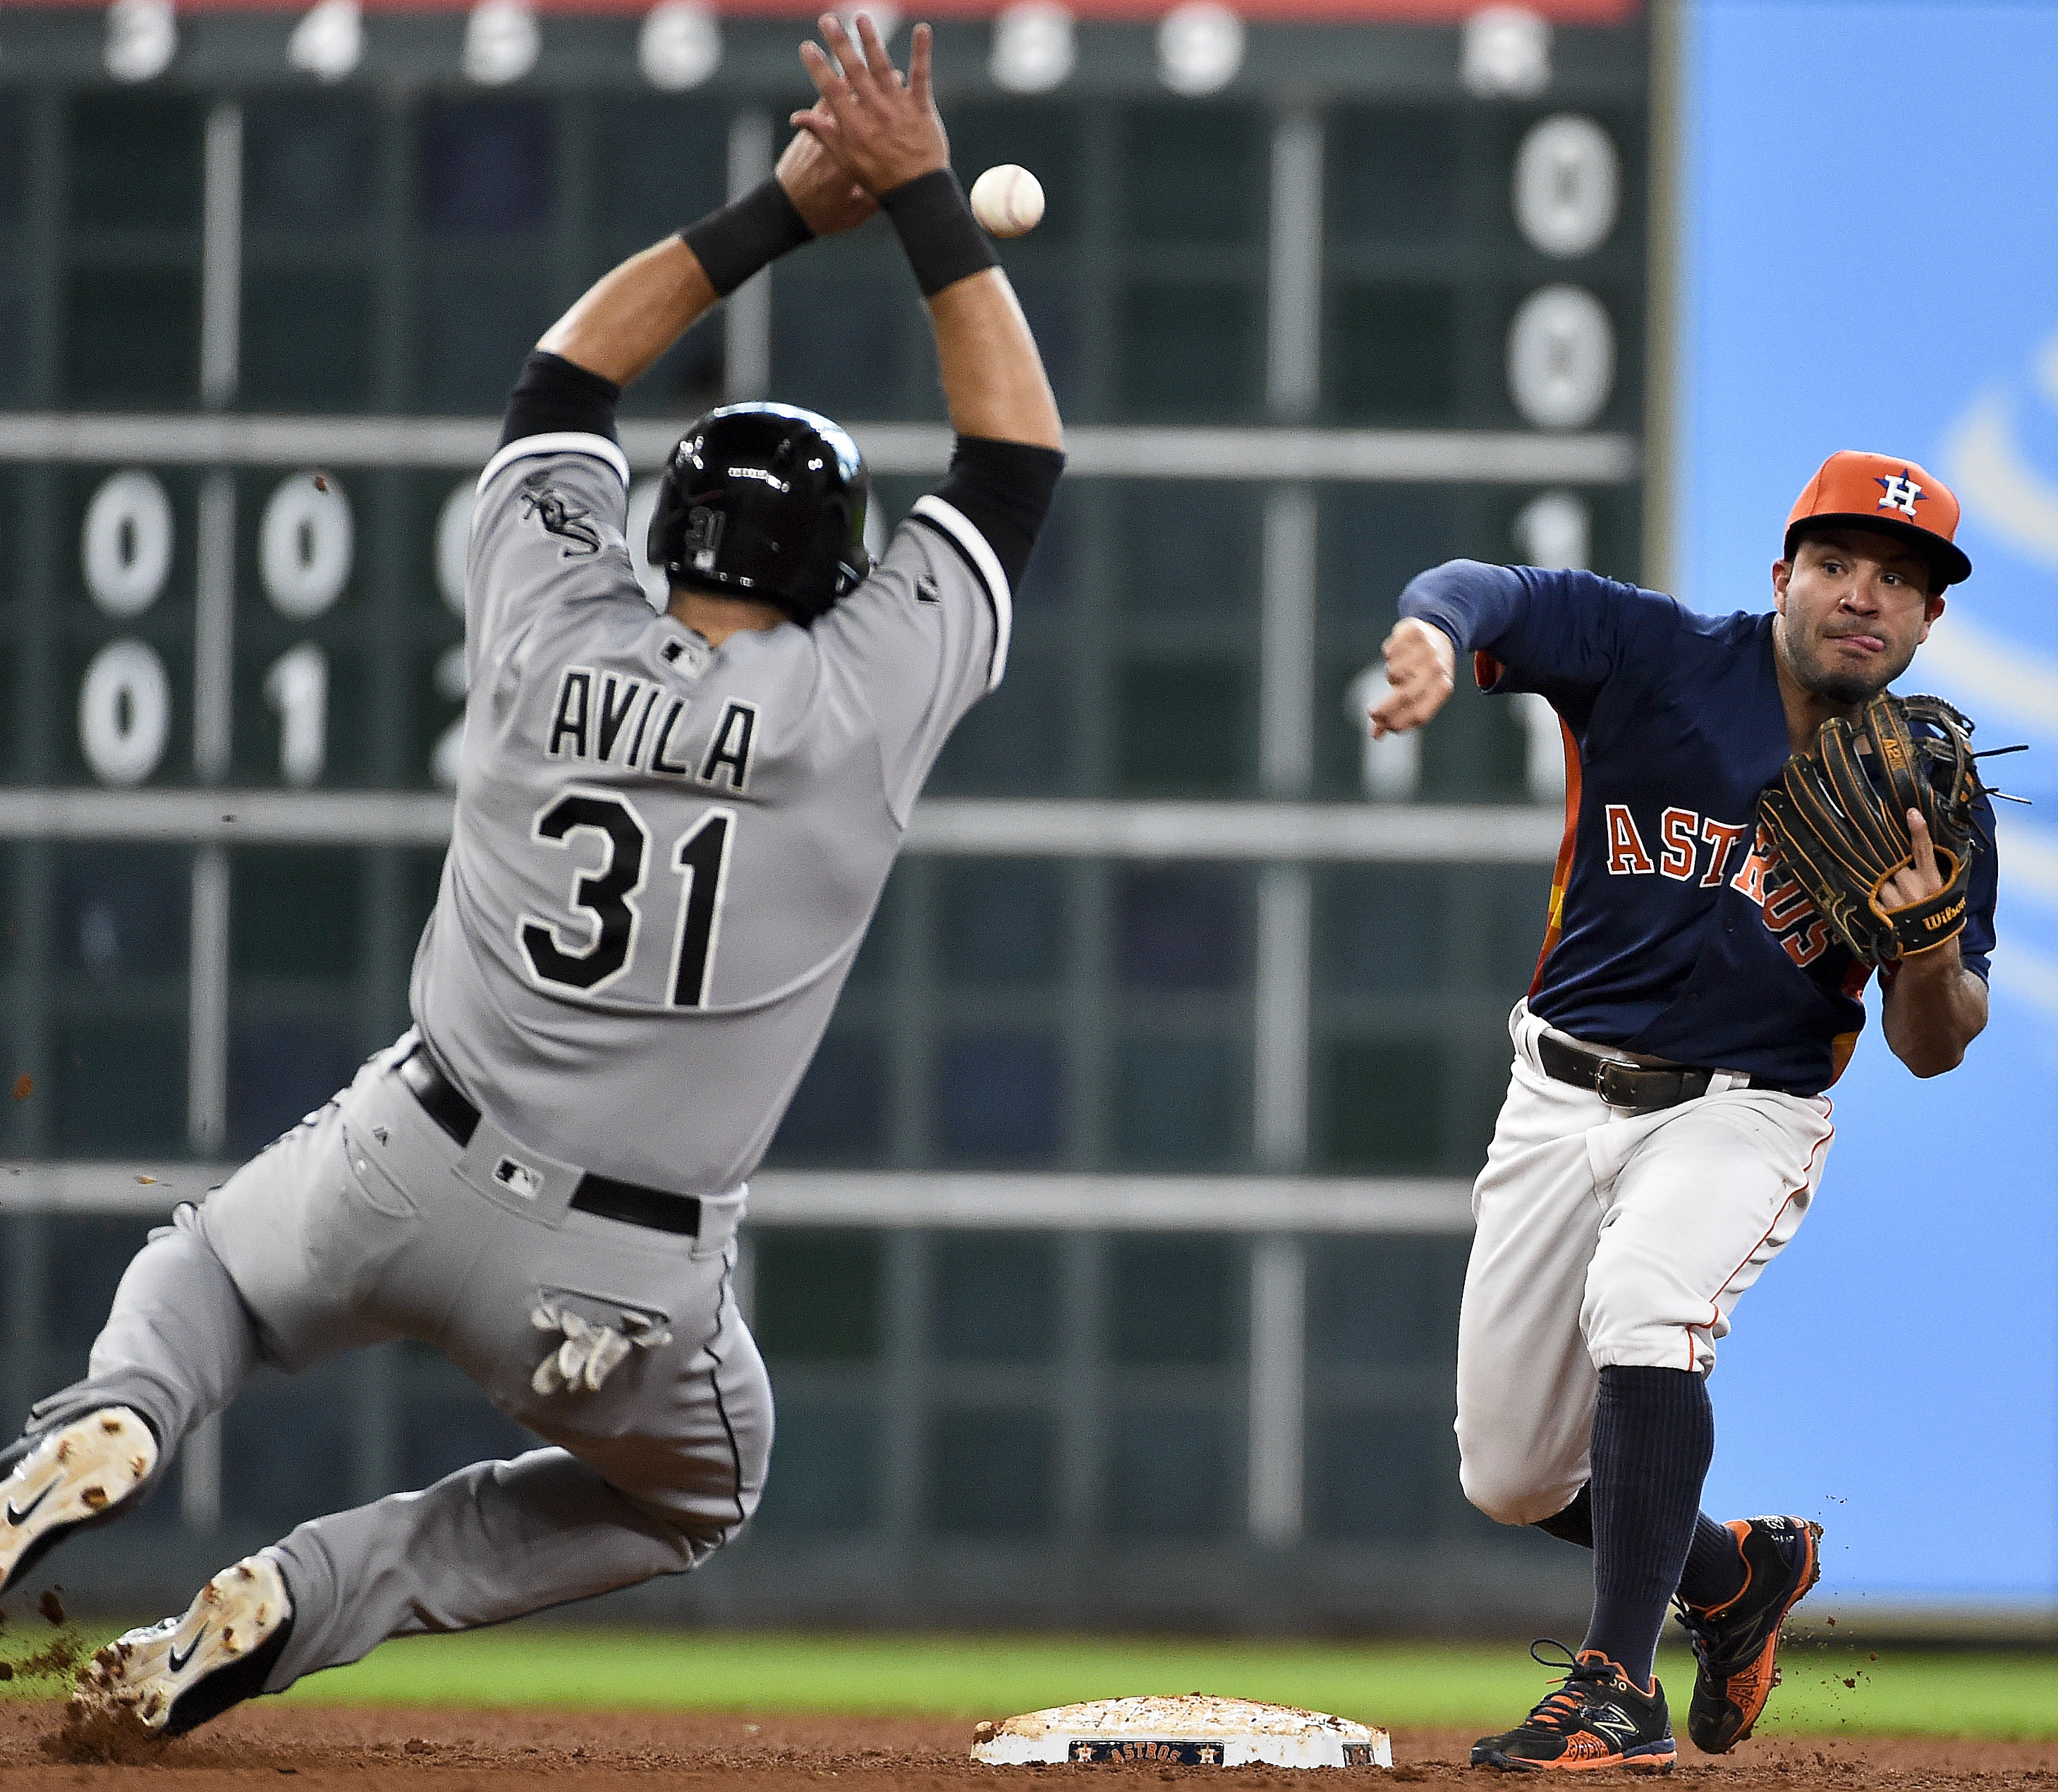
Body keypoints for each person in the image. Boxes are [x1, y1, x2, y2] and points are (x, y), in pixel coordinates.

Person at [0, 14, 1061, 1737]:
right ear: (839, 571)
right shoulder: (860, 700)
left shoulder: (544, 607)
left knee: (200, 1279)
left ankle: (111, 1414)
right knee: (699, 1491)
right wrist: (927, 198)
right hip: (623, 1288)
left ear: (667, 532)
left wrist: (781, 213)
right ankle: (312, 1589)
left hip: (405, 1155)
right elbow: (1012, 461)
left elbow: (563, 382)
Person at [1370, 452, 1997, 1772]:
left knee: (1647, 1301)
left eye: (1899, 580)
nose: (1862, 596)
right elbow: (1490, 586)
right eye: (1835, 564)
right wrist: (1433, 634)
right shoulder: (1651, 653)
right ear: (1783, 577)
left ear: (1929, 620)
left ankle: (1614, 1687)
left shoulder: (1929, 790)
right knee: (1511, 1477)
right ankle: (1731, 1575)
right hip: (1555, 1091)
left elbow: (1933, 1045)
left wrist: (1928, 949)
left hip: (1745, 1107)